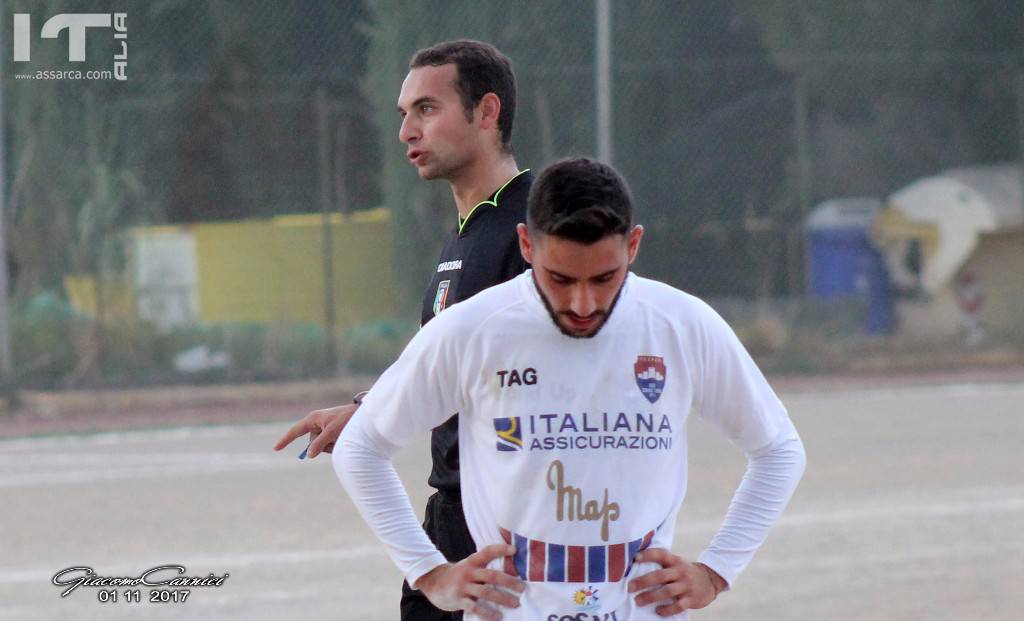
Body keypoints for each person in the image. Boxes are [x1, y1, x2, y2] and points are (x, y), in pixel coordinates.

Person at [334, 158, 807, 620]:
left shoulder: (682, 325)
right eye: (560, 278)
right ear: (526, 244)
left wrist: (716, 570)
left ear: (634, 246)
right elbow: (362, 447)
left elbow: (779, 449)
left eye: (604, 278)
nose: (583, 303)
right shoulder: (473, 330)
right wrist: (431, 574)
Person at [273, 40, 532, 620]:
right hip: (452, 514)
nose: (406, 131)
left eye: (427, 109)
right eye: (403, 114)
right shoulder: (468, 231)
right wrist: (371, 406)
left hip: (508, 524)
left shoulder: (536, 226)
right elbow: (449, 363)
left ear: (486, 112)